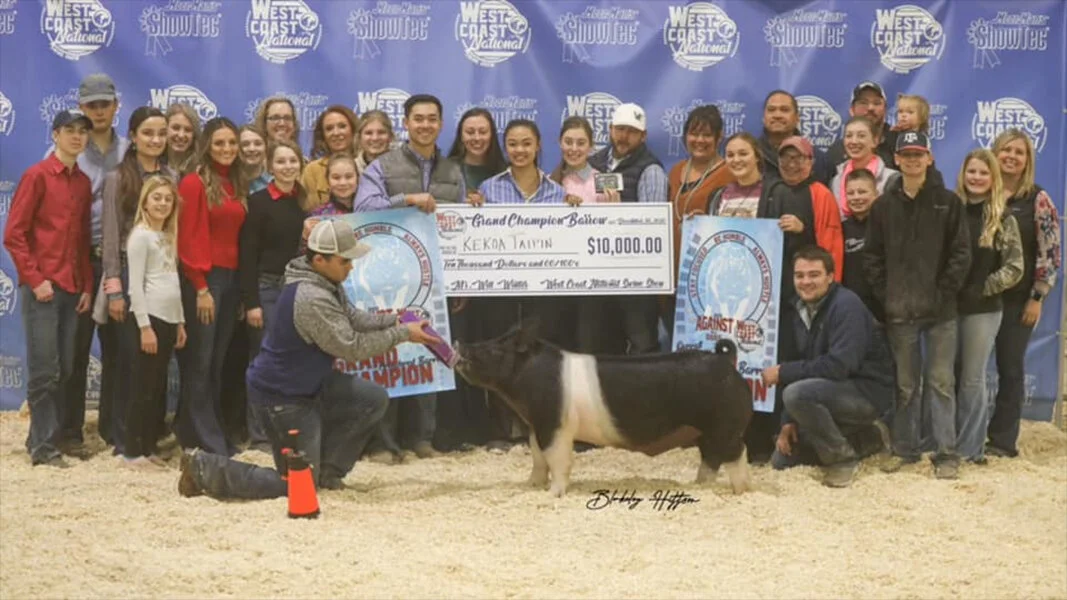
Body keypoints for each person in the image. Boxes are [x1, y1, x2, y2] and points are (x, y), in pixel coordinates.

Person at [177, 220, 441, 499]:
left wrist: (394, 319)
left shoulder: (322, 280)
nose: (351, 267)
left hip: (305, 384)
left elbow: (350, 318)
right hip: (282, 398)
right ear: (319, 259)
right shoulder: (312, 296)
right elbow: (351, 346)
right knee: (295, 485)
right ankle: (204, 467)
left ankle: (328, 471)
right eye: (345, 261)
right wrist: (402, 333)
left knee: (371, 397)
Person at [353, 94, 461, 462]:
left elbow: (460, 225)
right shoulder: (382, 166)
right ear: (407, 123)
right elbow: (363, 208)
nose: (426, 125)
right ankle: (384, 442)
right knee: (388, 356)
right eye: (419, 119)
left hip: (434, 279)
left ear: (441, 124)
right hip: (388, 277)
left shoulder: (453, 170)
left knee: (428, 352)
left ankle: (422, 438)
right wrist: (408, 199)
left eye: (432, 119)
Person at [865, 131, 971, 479]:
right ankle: (905, 450)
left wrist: (942, 295)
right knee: (906, 385)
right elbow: (872, 257)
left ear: (929, 158)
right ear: (896, 159)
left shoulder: (949, 202)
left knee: (941, 383)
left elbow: (960, 255)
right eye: (906, 154)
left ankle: (946, 454)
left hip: (941, 312)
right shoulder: (882, 206)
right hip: (900, 311)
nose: (912, 160)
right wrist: (887, 294)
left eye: (918, 154)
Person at [3, 109, 95, 467]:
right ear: (55, 135)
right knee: (46, 370)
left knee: (69, 368)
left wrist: (87, 284)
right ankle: (43, 448)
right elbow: (14, 234)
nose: (77, 137)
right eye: (69, 130)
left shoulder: (83, 182)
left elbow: (83, 239)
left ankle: (41, 437)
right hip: (44, 288)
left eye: (82, 132)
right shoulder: (37, 176)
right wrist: (35, 278)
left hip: (73, 286)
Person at [764, 246, 894, 487]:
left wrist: (783, 372)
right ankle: (870, 438)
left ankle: (842, 460)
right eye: (799, 275)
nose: (806, 281)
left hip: (866, 393)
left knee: (796, 394)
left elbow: (839, 366)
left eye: (814, 274)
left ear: (831, 277)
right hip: (829, 392)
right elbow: (806, 366)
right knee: (782, 460)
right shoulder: (798, 310)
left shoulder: (846, 305)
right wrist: (787, 421)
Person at [474, 119, 567, 453]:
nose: (520, 150)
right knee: (500, 353)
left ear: (539, 145)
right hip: (499, 286)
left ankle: (540, 429)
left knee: (540, 354)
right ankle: (500, 431)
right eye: (513, 144)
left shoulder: (558, 193)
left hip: (543, 287)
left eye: (526, 143)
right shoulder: (487, 189)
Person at [96, 106, 177, 456]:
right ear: (133, 136)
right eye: (148, 133)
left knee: (154, 361)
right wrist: (114, 289)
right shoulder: (118, 177)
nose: (156, 140)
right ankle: (120, 437)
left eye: (162, 133)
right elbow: (111, 235)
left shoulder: (171, 175)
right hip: (129, 274)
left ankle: (149, 433)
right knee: (126, 360)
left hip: (162, 273)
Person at [61, 74, 127, 456]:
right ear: (81, 107)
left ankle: (113, 430)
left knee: (118, 351)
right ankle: (69, 431)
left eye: (105, 103)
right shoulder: (67, 151)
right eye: (92, 105)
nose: (99, 110)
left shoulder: (131, 150)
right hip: (79, 263)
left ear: (116, 105)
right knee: (74, 349)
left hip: (116, 261)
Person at [176, 117, 248, 457]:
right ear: (206, 146)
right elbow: (187, 239)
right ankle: (207, 439)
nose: (227, 149)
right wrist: (201, 287)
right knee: (201, 363)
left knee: (216, 363)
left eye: (232, 143)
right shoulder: (194, 183)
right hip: (205, 281)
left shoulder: (235, 183)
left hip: (231, 281)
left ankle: (197, 431)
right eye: (219, 143)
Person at [987, 130, 1062, 457]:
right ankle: (967, 436)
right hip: (978, 298)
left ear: (1028, 160)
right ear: (995, 153)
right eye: (1006, 150)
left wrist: (1038, 297)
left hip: (1018, 301)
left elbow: (1051, 252)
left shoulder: (1038, 199)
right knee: (967, 370)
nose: (1012, 157)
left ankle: (1002, 441)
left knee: (1011, 369)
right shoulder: (979, 190)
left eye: (1019, 152)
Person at [953, 149, 1023, 463]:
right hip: (947, 307)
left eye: (983, 173)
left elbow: (1015, 267)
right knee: (944, 377)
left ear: (993, 178)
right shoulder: (950, 211)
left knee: (971, 378)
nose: (976, 178)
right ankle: (943, 442)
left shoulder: (1002, 218)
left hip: (983, 310)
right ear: (963, 174)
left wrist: (984, 288)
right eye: (972, 172)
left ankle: (971, 449)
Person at [239, 139, 309, 452]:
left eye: (292, 161)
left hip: (295, 289)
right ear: (270, 167)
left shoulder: (303, 203)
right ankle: (260, 435)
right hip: (266, 289)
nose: (287, 167)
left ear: (300, 164)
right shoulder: (258, 202)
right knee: (262, 362)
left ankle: (287, 431)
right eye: (280, 162)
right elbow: (248, 255)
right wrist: (251, 302)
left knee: (291, 362)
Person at [587, 102, 667, 355]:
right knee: (603, 346)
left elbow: (652, 228)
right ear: (610, 130)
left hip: (636, 279)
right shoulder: (592, 163)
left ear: (643, 136)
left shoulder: (651, 170)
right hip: (596, 274)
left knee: (642, 348)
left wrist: (621, 215)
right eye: (619, 129)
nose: (624, 136)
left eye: (631, 131)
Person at [122, 175, 187, 468]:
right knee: (142, 386)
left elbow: (173, 282)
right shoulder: (140, 236)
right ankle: (131, 450)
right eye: (156, 198)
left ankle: (148, 446)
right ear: (145, 202)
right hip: (150, 320)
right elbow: (135, 286)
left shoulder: (167, 236)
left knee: (156, 386)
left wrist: (181, 322)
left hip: (169, 319)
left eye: (167, 199)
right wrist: (144, 326)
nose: (162, 203)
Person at [829, 116, 899, 218]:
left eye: (861, 136)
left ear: (875, 141)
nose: (854, 141)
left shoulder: (892, 179)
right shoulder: (835, 181)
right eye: (848, 136)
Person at [758, 90, 832, 184]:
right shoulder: (750, 157)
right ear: (764, 117)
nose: (777, 115)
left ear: (797, 118)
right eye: (771, 110)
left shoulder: (818, 159)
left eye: (784, 110)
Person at [840, 169, 884, 322]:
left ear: (876, 194)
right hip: (850, 312)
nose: (856, 197)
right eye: (851, 193)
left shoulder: (887, 226)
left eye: (862, 192)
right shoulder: (840, 229)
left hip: (884, 314)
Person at [824, 81, 892, 169]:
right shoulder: (837, 151)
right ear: (852, 110)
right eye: (863, 103)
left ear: (885, 110)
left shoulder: (897, 144)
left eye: (877, 103)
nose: (870, 108)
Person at [303, 105, 360, 210]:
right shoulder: (312, 171)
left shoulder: (367, 164)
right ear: (323, 135)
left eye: (342, 126)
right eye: (329, 128)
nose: (336, 133)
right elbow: (308, 211)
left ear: (353, 129)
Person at [165, 103, 200, 178]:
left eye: (188, 130)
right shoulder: (153, 163)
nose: (181, 135)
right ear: (165, 129)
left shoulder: (202, 168)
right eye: (176, 128)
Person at [354, 110, 394, 174]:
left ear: (391, 136)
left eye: (381, 132)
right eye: (368, 133)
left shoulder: (402, 166)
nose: (375, 138)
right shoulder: (351, 167)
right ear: (359, 137)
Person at [238, 125, 270, 194]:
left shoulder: (275, 182)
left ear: (266, 147)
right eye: (245, 144)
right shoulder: (228, 182)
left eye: (258, 144)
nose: (252, 149)